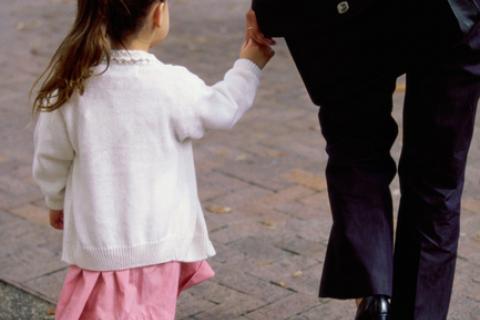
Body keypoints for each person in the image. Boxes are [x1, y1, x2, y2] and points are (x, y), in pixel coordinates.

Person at [31, 0, 274, 318]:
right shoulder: (171, 85)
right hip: (160, 246)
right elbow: (224, 107)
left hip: (98, 249)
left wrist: (56, 201)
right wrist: (248, 64)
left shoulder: (70, 87)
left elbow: (50, 159)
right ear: (159, 13)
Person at [248, 0, 480, 319]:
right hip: (447, 12)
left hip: (340, 16)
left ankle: (374, 294)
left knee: (356, 146)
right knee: (436, 178)